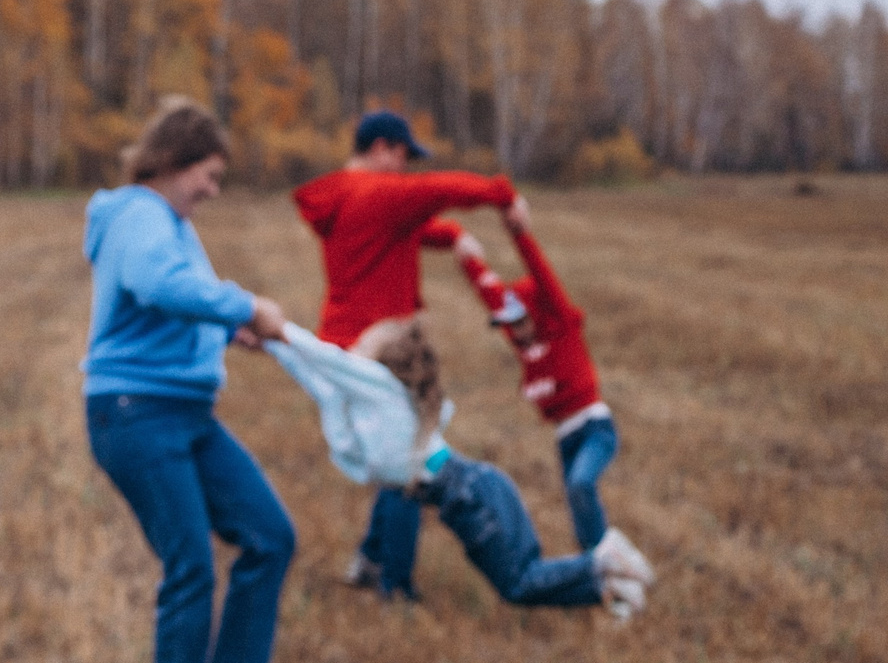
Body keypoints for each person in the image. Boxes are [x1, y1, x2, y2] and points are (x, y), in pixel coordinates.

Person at [82, 98, 298, 663]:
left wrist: (226, 332)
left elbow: (173, 301)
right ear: (174, 161)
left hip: (188, 412)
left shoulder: (170, 222)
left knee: (270, 534)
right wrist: (245, 305)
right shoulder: (141, 214)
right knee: (191, 564)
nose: (212, 188)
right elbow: (159, 284)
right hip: (135, 413)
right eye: (207, 173)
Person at [263, 314, 655, 616]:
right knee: (517, 586)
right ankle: (612, 586)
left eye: (363, 343)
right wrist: (269, 344)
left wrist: (279, 329)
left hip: (468, 494)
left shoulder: (380, 384)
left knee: (519, 582)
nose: (353, 346)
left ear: (382, 362)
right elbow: (321, 385)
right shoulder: (375, 400)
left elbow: (327, 361)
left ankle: (604, 558)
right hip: (472, 490)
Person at [292, 109, 521, 599]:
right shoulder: (376, 193)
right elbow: (440, 190)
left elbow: (418, 229)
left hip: (348, 342)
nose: (406, 169)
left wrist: (455, 236)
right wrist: (503, 195)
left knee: (396, 453)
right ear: (382, 148)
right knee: (407, 464)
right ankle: (394, 585)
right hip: (375, 348)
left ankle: (371, 560)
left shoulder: (348, 199)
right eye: (403, 156)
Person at [450, 217, 617, 550]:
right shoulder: (522, 341)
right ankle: (597, 573)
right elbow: (490, 292)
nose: (514, 331)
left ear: (537, 314)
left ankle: (609, 562)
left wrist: (519, 233)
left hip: (593, 428)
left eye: (520, 322)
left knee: (581, 485)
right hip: (565, 437)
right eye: (508, 325)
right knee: (578, 513)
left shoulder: (561, 326)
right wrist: (469, 259)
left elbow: (541, 272)